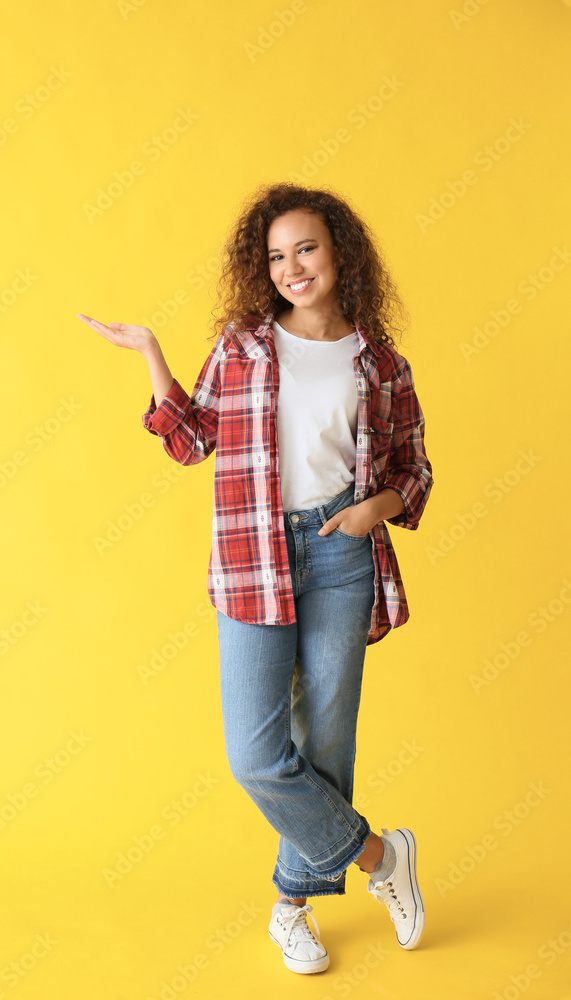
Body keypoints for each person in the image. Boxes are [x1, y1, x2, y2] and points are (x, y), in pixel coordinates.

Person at [77, 181, 433, 976]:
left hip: (341, 553)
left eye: (305, 248)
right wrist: (150, 354)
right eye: (275, 257)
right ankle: (380, 856)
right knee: (257, 754)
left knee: (326, 741)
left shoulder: (379, 363)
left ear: (339, 251)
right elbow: (191, 441)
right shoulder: (242, 347)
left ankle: (292, 909)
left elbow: (414, 469)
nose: (291, 267)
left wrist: (373, 509)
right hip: (253, 554)